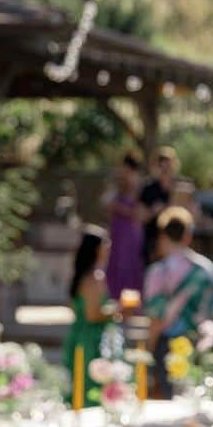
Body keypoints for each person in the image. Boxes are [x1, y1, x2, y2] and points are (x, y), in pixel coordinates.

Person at [143, 206, 213, 396]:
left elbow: (155, 318)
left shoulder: (158, 273)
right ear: (187, 236)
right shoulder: (206, 270)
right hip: (200, 344)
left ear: (163, 236)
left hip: (168, 347)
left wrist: (149, 349)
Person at [62, 225, 116, 407]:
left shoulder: (79, 276)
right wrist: (120, 311)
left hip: (77, 337)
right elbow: (93, 315)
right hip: (92, 341)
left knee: (78, 386)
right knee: (91, 390)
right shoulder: (95, 278)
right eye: (105, 245)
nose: (108, 249)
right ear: (96, 249)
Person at [103, 152, 146, 299]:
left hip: (127, 229)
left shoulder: (131, 181)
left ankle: (126, 297)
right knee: (117, 260)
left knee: (126, 261)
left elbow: (133, 209)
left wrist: (117, 207)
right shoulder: (122, 180)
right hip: (120, 227)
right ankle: (118, 295)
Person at [139, 147, 179, 262]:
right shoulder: (148, 188)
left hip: (176, 241)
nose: (165, 170)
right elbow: (141, 217)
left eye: (168, 166)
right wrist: (154, 211)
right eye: (161, 166)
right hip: (153, 242)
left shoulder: (179, 187)